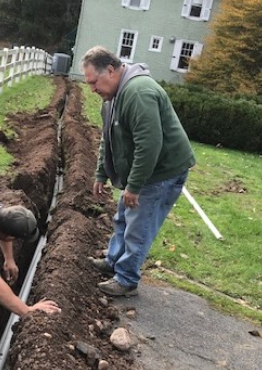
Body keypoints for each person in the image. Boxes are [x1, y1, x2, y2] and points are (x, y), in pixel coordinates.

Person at [80, 46, 196, 297]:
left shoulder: (138, 93)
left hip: (162, 171)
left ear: (110, 70)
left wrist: (133, 187)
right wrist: (101, 172)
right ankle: (114, 261)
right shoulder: (112, 99)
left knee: (138, 226)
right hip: (146, 169)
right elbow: (107, 138)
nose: (92, 89)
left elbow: (149, 144)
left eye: (94, 82)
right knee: (123, 217)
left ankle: (127, 279)